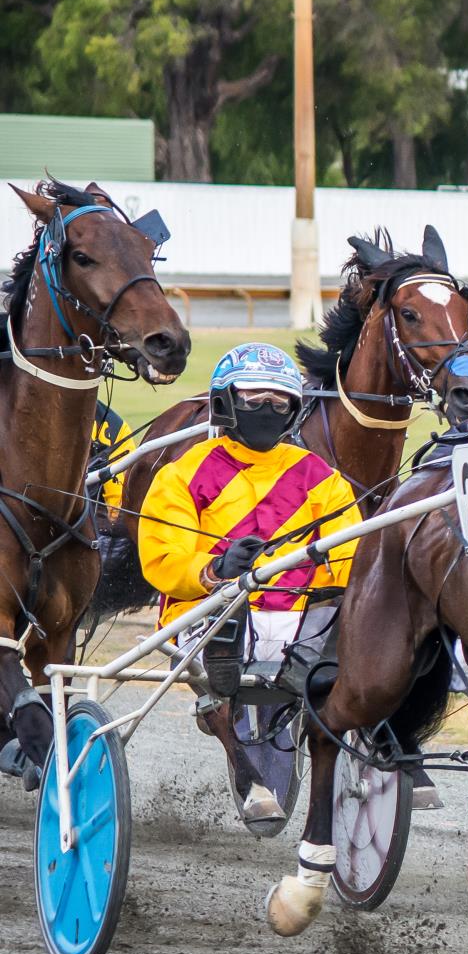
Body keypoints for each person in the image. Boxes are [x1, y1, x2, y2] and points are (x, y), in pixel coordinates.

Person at [140, 342, 364, 834]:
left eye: (279, 400)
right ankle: (240, 755)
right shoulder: (182, 474)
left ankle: (383, 736)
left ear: (295, 409)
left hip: (302, 622)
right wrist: (215, 568)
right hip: (212, 612)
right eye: (254, 398)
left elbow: (348, 558)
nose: (267, 408)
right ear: (225, 403)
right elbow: (162, 558)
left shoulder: (322, 478)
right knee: (227, 615)